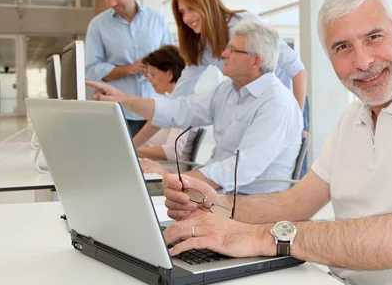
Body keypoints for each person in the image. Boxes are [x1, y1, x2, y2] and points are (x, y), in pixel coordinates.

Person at [157, 0, 392, 285]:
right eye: (342, 47)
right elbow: (295, 203)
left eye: (374, 37)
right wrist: (216, 204)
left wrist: (265, 238)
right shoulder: (353, 117)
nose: (362, 61)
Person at [88, 21, 303, 194]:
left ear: (256, 61)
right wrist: (123, 99)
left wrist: (176, 179)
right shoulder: (227, 90)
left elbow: (239, 171)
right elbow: (178, 111)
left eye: (232, 50)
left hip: (250, 203)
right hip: (221, 194)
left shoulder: (276, 104)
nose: (223, 54)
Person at [132, 0, 309, 160]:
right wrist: (132, 146)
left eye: (191, 9)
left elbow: (297, 70)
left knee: (286, 173)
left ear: (206, 2)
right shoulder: (202, 48)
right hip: (254, 109)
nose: (186, 18)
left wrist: (296, 121)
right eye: (182, 12)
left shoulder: (243, 24)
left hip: (290, 105)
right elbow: (171, 106)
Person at [84, 0, 173, 137]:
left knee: (153, 162)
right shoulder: (97, 25)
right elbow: (91, 69)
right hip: (119, 113)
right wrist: (128, 69)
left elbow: (171, 60)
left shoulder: (157, 19)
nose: (112, 3)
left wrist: (157, 68)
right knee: (119, 162)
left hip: (155, 109)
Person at [136, 45, 199, 172]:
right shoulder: (166, 105)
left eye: (153, 75)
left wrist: (132, 150)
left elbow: (172, 151)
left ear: (169, 74)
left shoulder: (182, 107)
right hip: (148, 167)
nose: (150, 81)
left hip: (164, 173)